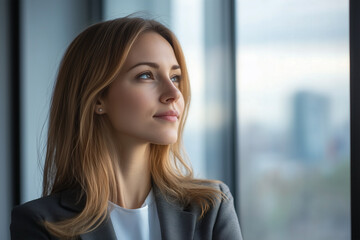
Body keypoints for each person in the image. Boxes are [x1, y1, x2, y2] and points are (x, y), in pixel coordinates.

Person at [10, 16, 242, 240]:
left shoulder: (211, 207)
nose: (174, 94)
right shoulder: (41, 223)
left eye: (174, 77)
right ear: (98, 98)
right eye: (146, 75)